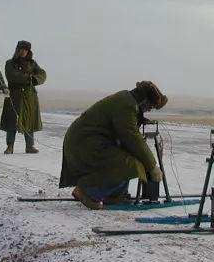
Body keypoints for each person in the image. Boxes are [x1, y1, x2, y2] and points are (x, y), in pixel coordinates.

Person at [58, 81, 168, 209]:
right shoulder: (126, 105)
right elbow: (131, 137)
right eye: (150, 106)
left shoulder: (126, 100)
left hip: (87, 142)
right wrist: (152, 166)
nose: (149, 109)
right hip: (86, 145)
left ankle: (113, 196)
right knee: (132, 165)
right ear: (144, 100)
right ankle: (87, 191)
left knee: (128, 159)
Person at [0, 40, 47, 154]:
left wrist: (34, 79)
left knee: (29, 120)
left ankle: (29, 146)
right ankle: (10, 146)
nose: (23, 52)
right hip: (14, 96)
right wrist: (28, 77)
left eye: (25, 50)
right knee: (12, 121)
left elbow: (42, 74)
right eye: (21, 49)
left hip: (29, 96)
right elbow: (13, 77)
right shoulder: (10, 63)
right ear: (17, 50)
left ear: (28, 51)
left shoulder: (32, 63)